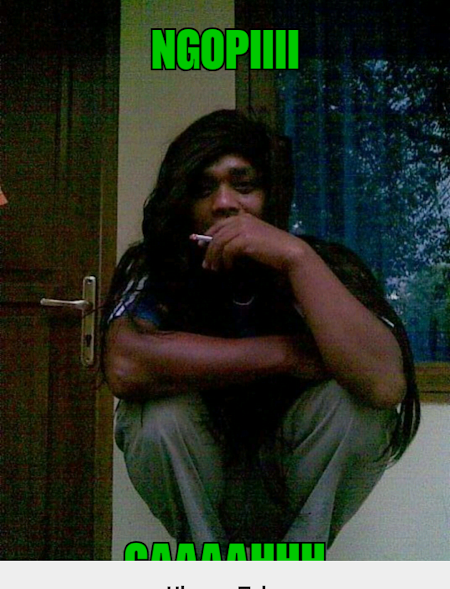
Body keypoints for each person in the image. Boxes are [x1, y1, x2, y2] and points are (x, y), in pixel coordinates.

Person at [101, 109, 420, 552]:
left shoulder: (318, 264)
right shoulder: (157, 266)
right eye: (204, 188)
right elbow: (125, 364)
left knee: (358, 406)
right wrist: (286, 354)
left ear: (272, 196)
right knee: (154, 414)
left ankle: (293, 573)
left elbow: (385, 383)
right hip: (205, 475)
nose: (224, 203)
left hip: (295, 477)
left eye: (244, 185)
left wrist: (297, 259)